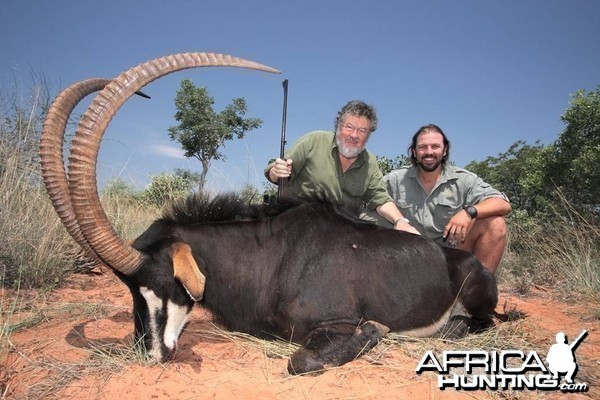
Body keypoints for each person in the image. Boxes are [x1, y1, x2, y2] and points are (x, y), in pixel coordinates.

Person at [265, 100, 419, 234]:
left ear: (369, 135)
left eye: (362, 130)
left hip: (341, 232)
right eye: (349, 127)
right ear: (338, 125)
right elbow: (276, 168)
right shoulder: (314, 140)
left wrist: (400, 221)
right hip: (299, 224)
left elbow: (380, 200)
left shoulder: (369, 162)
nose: (354, 135)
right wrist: (276, 171)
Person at [384, 124, 511, 273]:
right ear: (414, 152)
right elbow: (372, 196)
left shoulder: (463, 180)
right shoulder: (395, 180)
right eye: (423, 147)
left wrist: (469, 212)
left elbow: (503, 204)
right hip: (407, 257)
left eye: (435, 146)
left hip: (450, 259)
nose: (429, 152)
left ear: (444, 151)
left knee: (495, 224)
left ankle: (476, 291)